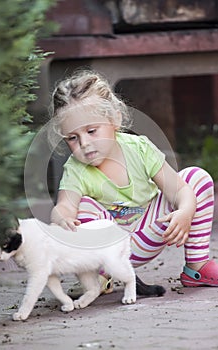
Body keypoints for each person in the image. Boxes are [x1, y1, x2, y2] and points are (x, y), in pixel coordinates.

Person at [49, 69, 218, 297]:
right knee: (83, 205)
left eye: (91, 131)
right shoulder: (76, 169)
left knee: (196, 178)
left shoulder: (138, 148)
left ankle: (196, 267)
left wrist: (185, 212)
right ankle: (100, 275)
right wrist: (61, 219)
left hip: (153, 230)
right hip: (110, 250)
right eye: (73, 138)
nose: (85, 143)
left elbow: (178, 190)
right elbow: (65, 207)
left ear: (115, 119)